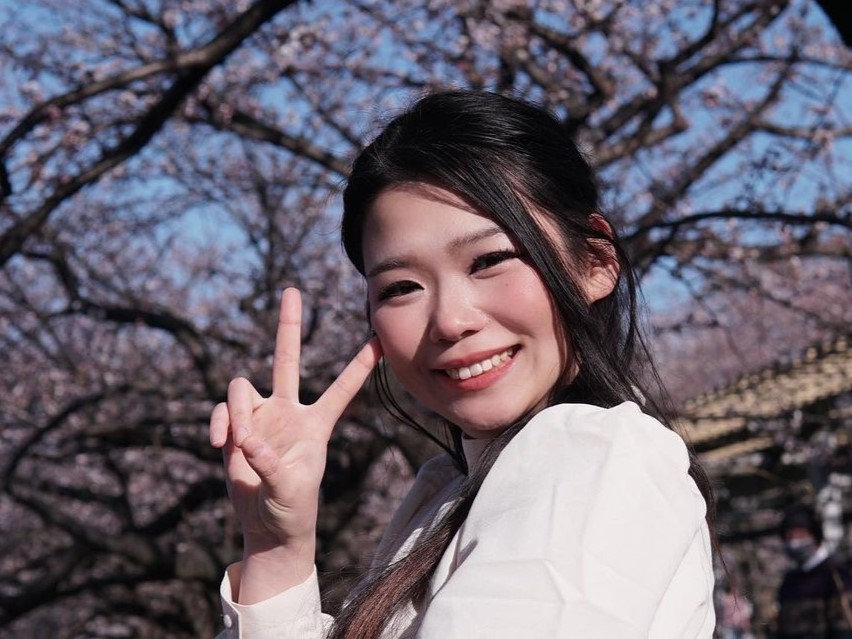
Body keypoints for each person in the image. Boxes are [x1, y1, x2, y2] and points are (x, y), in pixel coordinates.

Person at [210, 90, 717, 638]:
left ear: (593, 261)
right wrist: (276, 548)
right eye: (402, 287)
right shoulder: (449, 488)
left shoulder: (591, 452)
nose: (450, 320)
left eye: (490, 260)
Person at [776, 504, 852, 639]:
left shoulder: (834, 573)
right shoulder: (790, 579)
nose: (794, 542)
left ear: (814, 535)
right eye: (788, 537)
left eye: (800, 535)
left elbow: (843, 625)